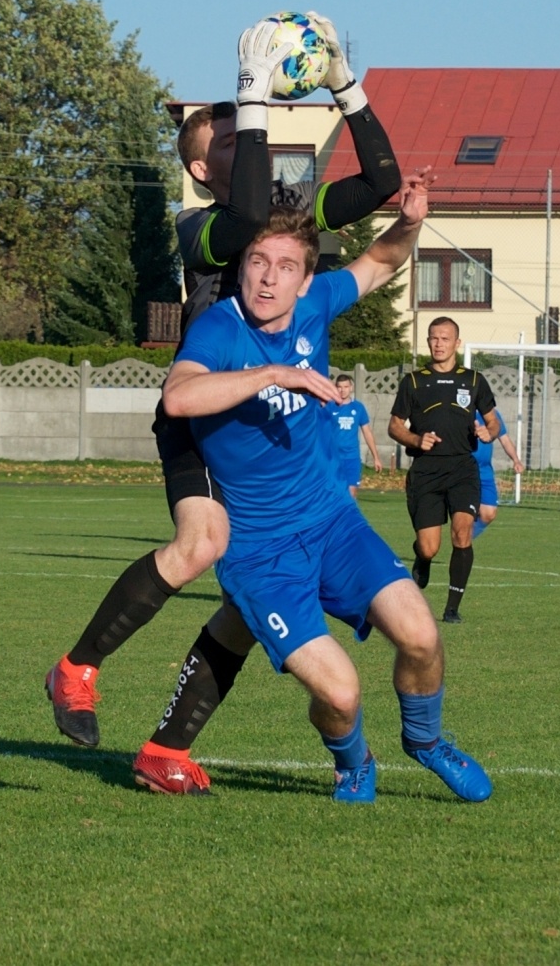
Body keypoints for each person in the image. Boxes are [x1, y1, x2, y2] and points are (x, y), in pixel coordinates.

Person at [46, 14, 401, 756]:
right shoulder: (202, 227)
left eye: (249, 133)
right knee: (204, 542)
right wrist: (255, 89)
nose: (250, 142)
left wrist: (345, 86)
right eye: (233, 141)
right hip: (204, 415)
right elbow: (244, 216)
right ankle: (77, 669)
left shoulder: (283, 217)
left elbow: (381, 183)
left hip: (264, 431)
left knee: (247, 595)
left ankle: (167, 750)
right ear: (205, 169)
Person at [160, 175, 491, 805]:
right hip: (259, 553)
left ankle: (425, 742)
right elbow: (178, 396)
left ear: (305, 281)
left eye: (284, 266)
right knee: (340, 696)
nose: (267, 278)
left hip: (333, 524)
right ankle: (353, 761)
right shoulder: (219, 329)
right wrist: (275, 372)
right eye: (257, 261)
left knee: (422, 637)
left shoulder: (317, 305)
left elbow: (382, 261)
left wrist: (412, 220)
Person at [388, 319, 499, 625]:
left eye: (445, 338)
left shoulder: (474, 380)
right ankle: (422, 558)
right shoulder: (413, 381)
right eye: (434, 338)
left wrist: (489, 431)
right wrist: (415, 439)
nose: (439, 343)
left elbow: (494, 420)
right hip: (427, 471)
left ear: (457, 343)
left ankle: (452, 608)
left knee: (462, 534)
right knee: (430, 546)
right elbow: (394, 425)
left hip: (463, 467)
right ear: (428, 342)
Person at [471, 408, 523, 538]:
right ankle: (461, 545)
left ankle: (464, 541)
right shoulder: (460, 409)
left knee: (489, 513)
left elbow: (504, 439)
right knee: (462, 513)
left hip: (484, 471)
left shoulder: (492, 414)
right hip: (464, 470)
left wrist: (516, 460)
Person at [330, 373, 383, 498]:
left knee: (351, 493)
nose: (342, 390)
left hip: (351, 458)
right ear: (335, 387)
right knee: (334, 494)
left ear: (351, 388)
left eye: (346, 386)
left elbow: (367, 432)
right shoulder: (329, 406)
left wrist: (376, 457)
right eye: (339, 387)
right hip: (333, 458)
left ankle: (348, 518)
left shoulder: (358, 408)